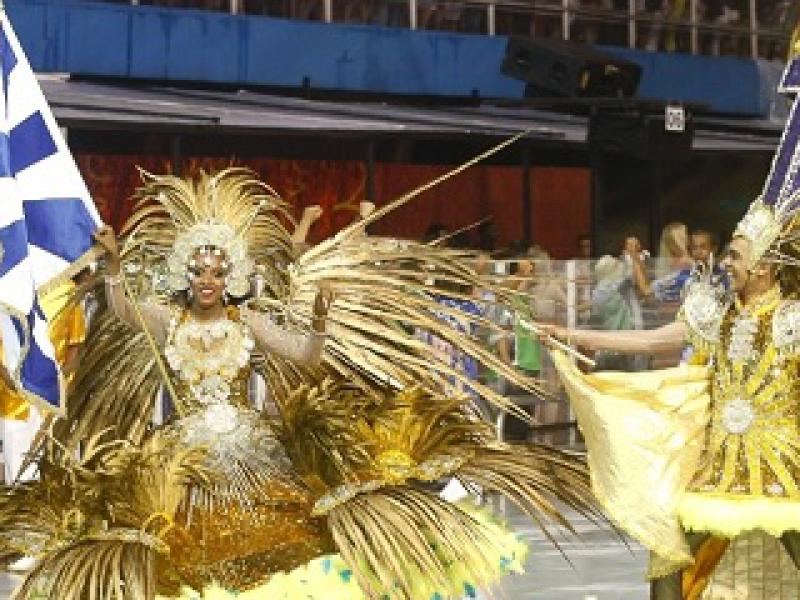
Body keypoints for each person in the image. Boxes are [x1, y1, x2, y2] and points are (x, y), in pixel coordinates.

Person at [0, 168, 594, 600]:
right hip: (184, 460)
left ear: (230, 278)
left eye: (217, 272)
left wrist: (319, 324)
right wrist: (110, 264)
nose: (207, 280)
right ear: (186, 275)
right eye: (199, 271)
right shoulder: (168, 320)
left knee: (285, 543)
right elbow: (123, 309)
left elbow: (306, 356)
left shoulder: (249, 321)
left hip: (253, 451)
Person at [540, 87, 800, 595]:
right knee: (672, 555)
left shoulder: (792, 318)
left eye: (735, 255)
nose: (726, 263)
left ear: (765, 267)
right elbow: (653, 339)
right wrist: (571, 334)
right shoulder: (716, 313)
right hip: (719, 466)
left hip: (786, 465)